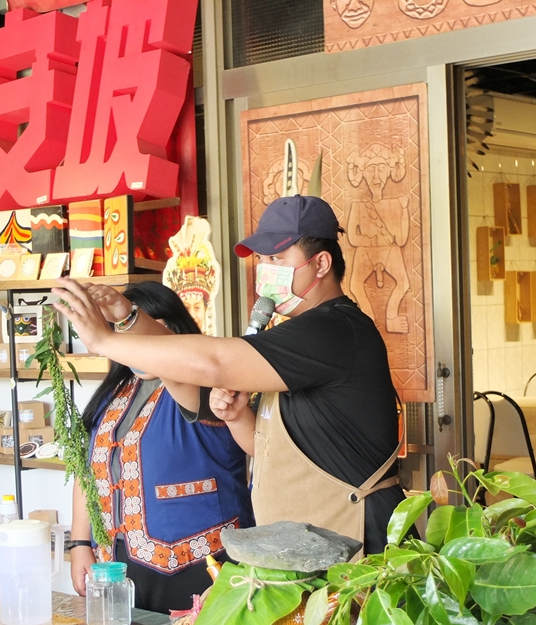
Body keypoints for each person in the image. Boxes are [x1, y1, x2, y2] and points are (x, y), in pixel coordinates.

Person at [54, 196, 402, 554]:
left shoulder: (333, 330)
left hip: (358, 540)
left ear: (321, 263)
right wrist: (128, 317)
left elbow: (214, 363)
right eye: (262, 259)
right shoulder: (295, 338)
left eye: (277, 258)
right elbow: (265, 450)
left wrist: (105, 341)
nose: (265, 269)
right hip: (309, 543)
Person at [68, 282, 253, 614]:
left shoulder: (205, 385)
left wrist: (127, 318)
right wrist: (80, 542)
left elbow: (178, 364)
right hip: (118, 564)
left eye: (143, 328)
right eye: (122, 331)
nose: (137, 343)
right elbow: (89, 471)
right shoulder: (116, 392)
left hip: (201, 565)